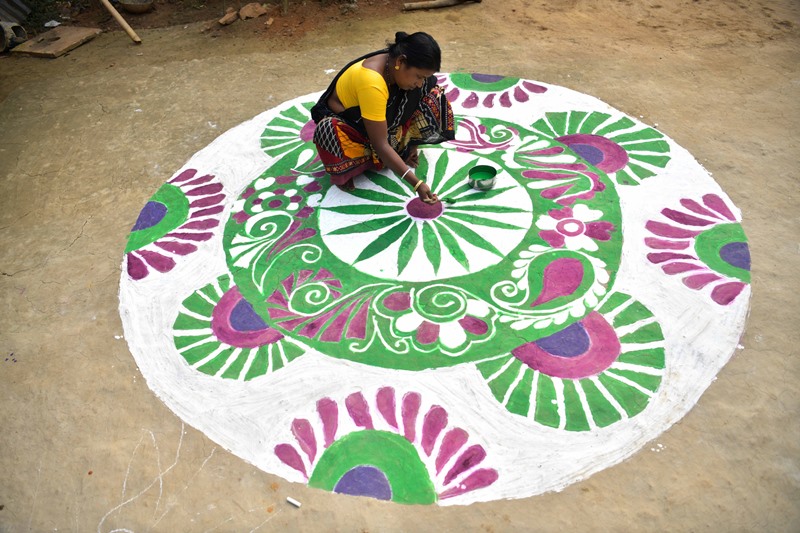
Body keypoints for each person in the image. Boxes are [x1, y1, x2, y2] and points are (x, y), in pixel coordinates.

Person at [311, 31, 455, 204]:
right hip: (355, 127)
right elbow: (380, 143)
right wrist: (416, 184)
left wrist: (412, 145)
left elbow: (419, 94)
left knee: (433, 95)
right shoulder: (372, 82)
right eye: (418, 76)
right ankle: (350, 170)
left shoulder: (394, 66)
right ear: (400, 62)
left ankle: (401, 150)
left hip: (384, 123)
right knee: (328, 130)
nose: (419, 83)